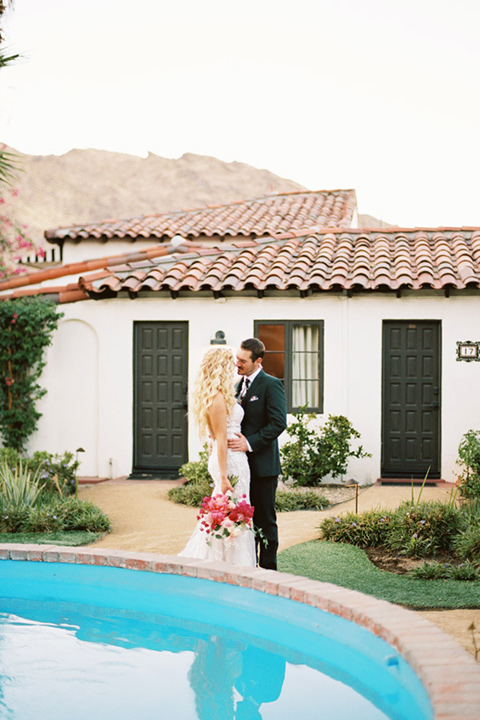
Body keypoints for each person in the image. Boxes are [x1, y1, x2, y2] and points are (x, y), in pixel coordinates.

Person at [179, 346, 256, 566]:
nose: (234, 368)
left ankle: (229, 562)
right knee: (230, 512)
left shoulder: (220, 394)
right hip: (229, 462)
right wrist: (223, 477)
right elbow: (221, 438)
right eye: (230, 364)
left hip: (232, 458)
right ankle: (229, 564)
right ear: (220, 368)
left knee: (232, 512)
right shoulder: (218, 397)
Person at [228, 338, 287, 570]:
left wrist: (249, 444)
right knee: (244, 521)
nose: (237, 364)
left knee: (265, 521)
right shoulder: (235, 386)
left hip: (263, 467)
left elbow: (278, 423)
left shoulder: (271, 384)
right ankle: (249, 568)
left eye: (243, 361)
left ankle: (269, 571)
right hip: (240, 468)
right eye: (237, 359)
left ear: (258, 361)